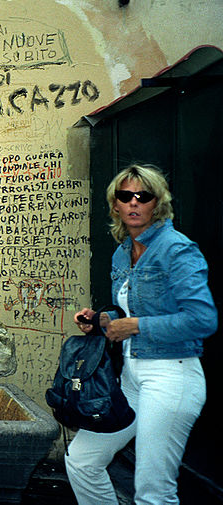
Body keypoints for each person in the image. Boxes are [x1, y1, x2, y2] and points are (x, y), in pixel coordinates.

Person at [65, 164, 217, 505]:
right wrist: (102, 319)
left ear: (157, 203)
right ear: (115, 204)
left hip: (171, 376)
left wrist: (134, 326)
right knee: (82, 460)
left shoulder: (177, 250)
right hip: (131, 378)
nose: (134, 204)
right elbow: (130, 310)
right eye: (125, 196)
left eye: (143, 196)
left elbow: (202, 319)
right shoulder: (123, 251)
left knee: (153, 492)